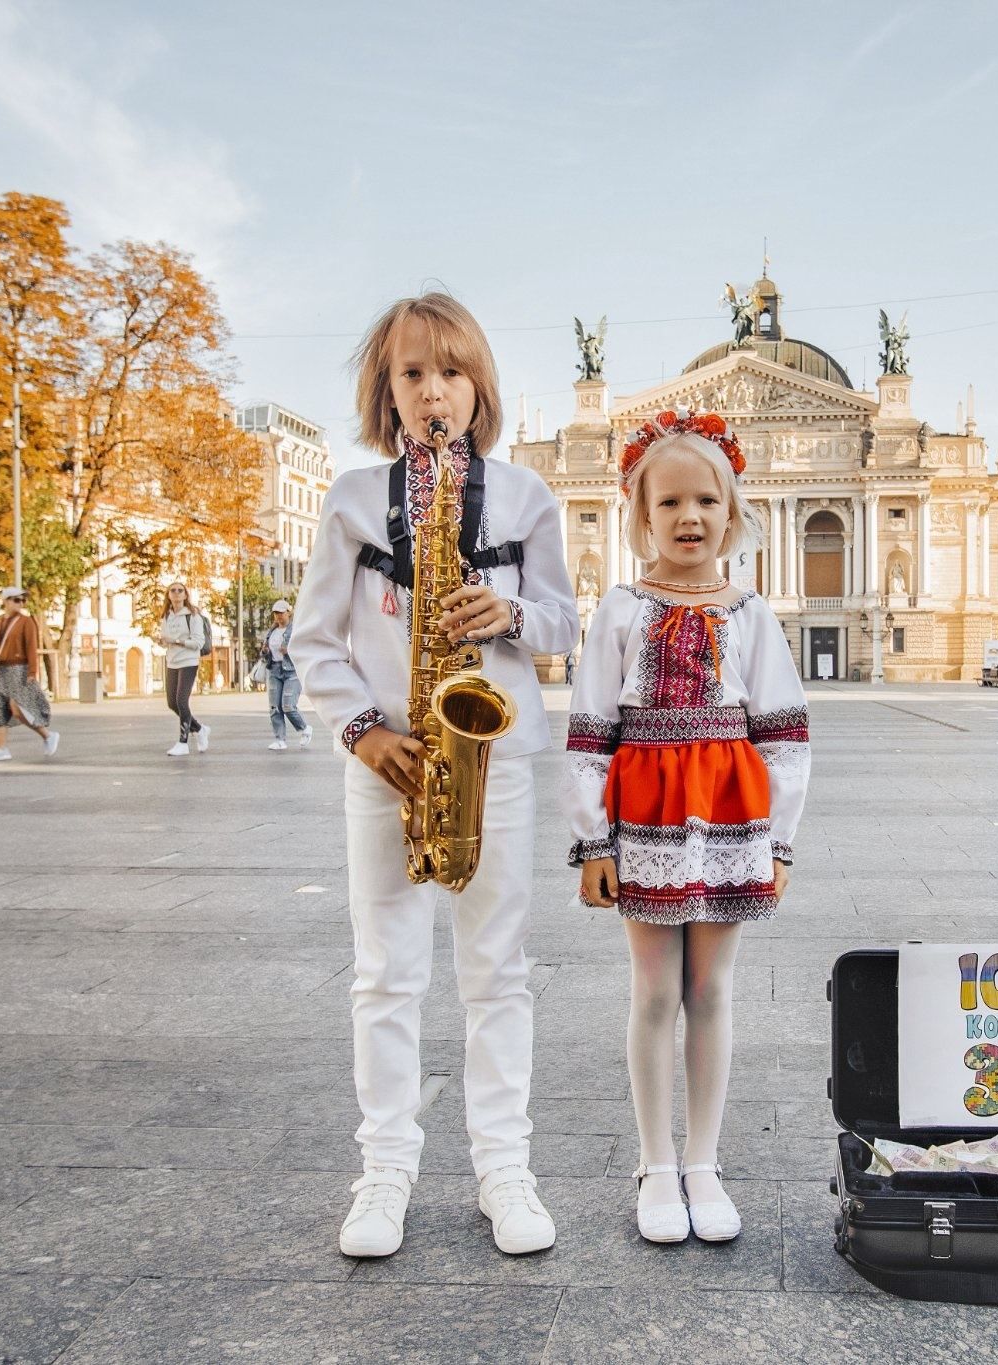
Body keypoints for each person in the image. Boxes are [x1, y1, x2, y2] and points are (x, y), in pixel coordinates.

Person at [290, 292, 578, 1261]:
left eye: (449, 373)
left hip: (490, 762)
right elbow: (313, 640)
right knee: (385, 976)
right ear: (387, 392)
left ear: (477, 387)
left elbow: (563, 623)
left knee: (497, 975)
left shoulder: (527, 497)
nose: (431, 392)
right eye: (411, 375)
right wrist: (364, 732)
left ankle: (504, 1164)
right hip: (389, 763)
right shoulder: (351, 500)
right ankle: (385, 1169)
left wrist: (508, 616)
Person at [563, 410, 810, 1245]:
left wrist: (780, 840)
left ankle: (703, 1161)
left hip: (731, 812)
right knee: (656, 990)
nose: (690, 517)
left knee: (711, 990)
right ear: (641, 516)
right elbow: (591, 728)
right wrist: (592, 840)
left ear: (733, 510)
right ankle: (655, 1162)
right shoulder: (621, 607)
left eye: (706, 499)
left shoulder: (750, 612)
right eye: (669, 502)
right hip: (648, 817)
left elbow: (783, 732)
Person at [0, 586, 58, 762]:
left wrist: (32, 671)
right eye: (17, 600)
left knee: (18, 708)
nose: (21, 603)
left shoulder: (26, 622)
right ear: (6, 601)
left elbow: (31, 647)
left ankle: (47, 735)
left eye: (23, 600)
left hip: (19, 668)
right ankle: (1, 749)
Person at [158, 583, 211, 756]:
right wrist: (162, 641)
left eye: (180, 590)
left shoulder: (193, 616)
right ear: (168, 595)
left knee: (181, 701)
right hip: (172, 661)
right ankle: (200, 729)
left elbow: (198, 642)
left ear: (186, 595)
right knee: (172, 703)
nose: (176, 593)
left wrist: (176, 641)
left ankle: (183, 743)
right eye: (172, 590)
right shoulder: (166, 616)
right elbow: (167, 639)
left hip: (188, 661)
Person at [260, 598, 312, 751]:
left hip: (292, 671)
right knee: (274, 707)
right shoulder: (271, 631)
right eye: (276, 613)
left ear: (288, 613)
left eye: (281, 613)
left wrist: (290, 650)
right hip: (274, 669)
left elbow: (305, 648)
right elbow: (264, 653)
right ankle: (279, 739)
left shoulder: (296, 629)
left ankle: (304, 728)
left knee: (288, 705)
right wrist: (265, 651)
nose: (278, 616)